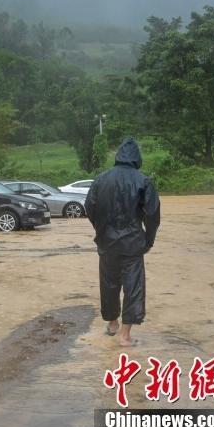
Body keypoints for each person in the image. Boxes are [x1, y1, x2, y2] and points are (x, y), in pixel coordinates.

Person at [85, 138, 161, 347]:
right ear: (137, 158)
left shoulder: (100, 180)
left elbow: (89, 208)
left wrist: (101, 230)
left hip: (107, 243)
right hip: (132, 244)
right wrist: (148, 240)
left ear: (118, 156)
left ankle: (112, 324)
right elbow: (152, 215)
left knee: (108, 284)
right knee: (133, 286)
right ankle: (125, 336)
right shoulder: (143, 181)